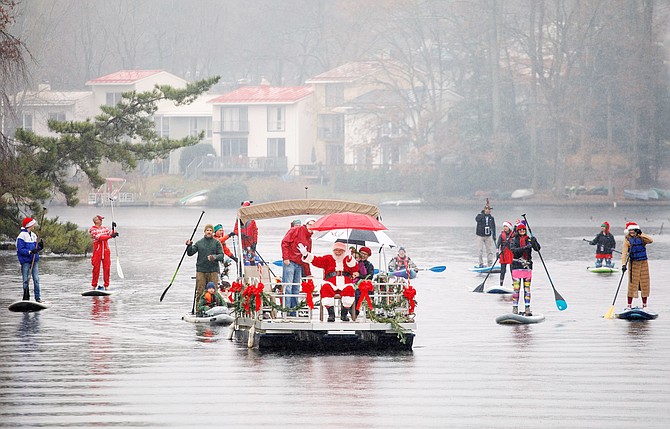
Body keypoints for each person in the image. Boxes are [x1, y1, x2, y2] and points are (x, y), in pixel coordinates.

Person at [300, 241, 358, 322]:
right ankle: (331, 314)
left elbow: (355, 268)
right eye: (336, 250)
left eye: (340, 250)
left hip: (345, 282)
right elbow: (316, 260)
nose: (338, 252)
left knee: (349, 290)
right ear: (333, 251)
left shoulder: (348, 259)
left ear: (344, 251)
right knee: (325, 289)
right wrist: (306, 255)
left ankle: (344, 314)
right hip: (330, 281)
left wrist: (350, 258)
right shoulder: (328, 258)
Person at [281, 217, 316, 315]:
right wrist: (286, 258)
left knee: (296, 288)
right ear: (306, 224)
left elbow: (307, 257)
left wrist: (308, 273)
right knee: (287, 287)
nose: (312, 227)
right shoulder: (296, 230)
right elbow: (285, 242)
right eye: (310, 224)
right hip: (290, 262)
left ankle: (294, 311)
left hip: (299, 264)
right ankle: (286, 311)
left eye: (314, 225)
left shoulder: (309, 239)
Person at [186, 223, 225, 303]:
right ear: (205, 231)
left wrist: (214, 257)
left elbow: (221, 256)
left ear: (213, 232)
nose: (209, 232)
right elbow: (190, 253)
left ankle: (213, 308)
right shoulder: (199, 243)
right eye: (207, 230)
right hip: (201, 270)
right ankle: (199, 309)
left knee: (214, 292)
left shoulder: (216, 243)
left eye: (211, 230)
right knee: (200, 291)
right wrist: (189, 246)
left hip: (213, 270)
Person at [509, 220, 540, 316]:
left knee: (527, 289)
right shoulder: (514, 240)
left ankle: (527, 308)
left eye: (523, 229)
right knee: (516, 289)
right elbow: (514, 252)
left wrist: (535, 242)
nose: (522, 231)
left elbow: (537, 249)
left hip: (527, 268)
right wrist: (525, 247)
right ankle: (515, 308)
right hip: (516, 267)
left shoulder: (529, 239)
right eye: (520, 229)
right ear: (518, 231)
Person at [621, 222, 653, 310]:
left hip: (643, 263)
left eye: (633, 230)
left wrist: (641, 233)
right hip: (633, 264)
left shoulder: (642, 238)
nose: (631, 232)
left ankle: (644, 305)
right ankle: (629, 305)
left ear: (636, 230)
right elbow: (624, 254)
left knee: (644, 284)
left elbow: (651, 240)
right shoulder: (627, 240)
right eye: (630, 230)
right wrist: (623, 265)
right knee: (632, 285)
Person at [16, 217, 44, 301]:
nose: (34, 226)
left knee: (36, 279)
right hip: (25, 261)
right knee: (25, 280)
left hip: (34, 261)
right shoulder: (21, 236)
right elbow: (20, 250)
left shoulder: (34, 235)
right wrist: (30, 252)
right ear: (29, 225)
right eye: (33, 224)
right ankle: (26, 297)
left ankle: (37, 298)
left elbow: (36, 248)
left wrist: (40, 247)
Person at [89, 214, 118, 290]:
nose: (101, 221)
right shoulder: (93, 230)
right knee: (96, 268)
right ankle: (94, 285)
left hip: (106, 251)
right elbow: (100, 238)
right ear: (96, 221)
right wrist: (111, 236)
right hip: (97, 251)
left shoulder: (104, 228)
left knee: (107, 268)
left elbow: (110, 234)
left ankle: (106, 285)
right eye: (100, 220)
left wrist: (113, 229)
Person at [234, 201, 258, 265]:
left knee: (251, 258)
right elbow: (235, 230)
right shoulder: (239, 220)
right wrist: (240, 234)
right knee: (242, 258)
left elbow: (255, 232)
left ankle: (253, 272)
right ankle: (241, 272)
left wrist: (255, 242)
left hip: (250, 243)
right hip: (242, 243)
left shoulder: (252, 221)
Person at [497, 221, 515, 287]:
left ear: (509, 228)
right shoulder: (501, 235)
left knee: (512, 270)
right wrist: (497, 253)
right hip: (503, 254)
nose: (505, 228)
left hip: (511, 254)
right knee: (503, 271)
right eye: (504, 226)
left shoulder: (513, 235)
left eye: (506, 226)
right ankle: (501, 284)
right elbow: (498, 245)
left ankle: (514, 284)